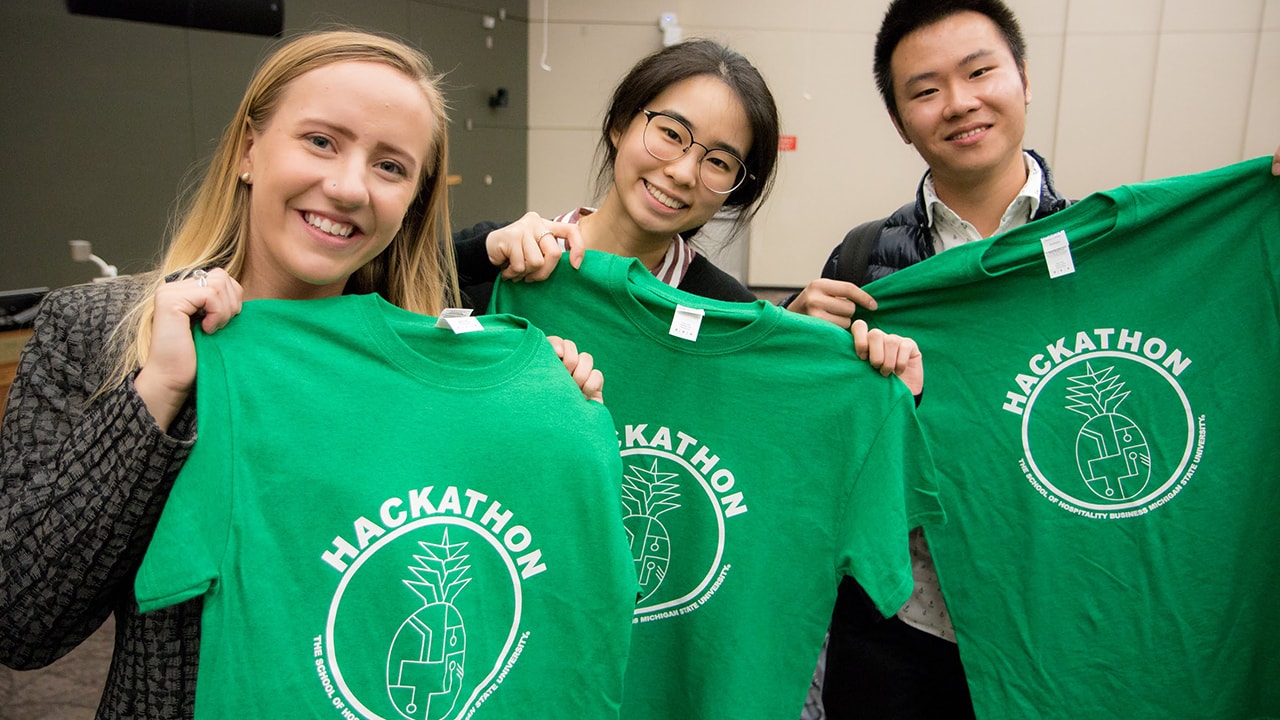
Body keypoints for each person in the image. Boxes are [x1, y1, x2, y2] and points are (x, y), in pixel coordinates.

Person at [0, 29, 602, 719]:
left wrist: (547, 423)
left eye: (390, 166)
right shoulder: (97, 330)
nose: (347, 187)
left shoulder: (424, 375)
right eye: (320, 141)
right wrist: (158, 393)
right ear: (250, 148)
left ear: (413, 198)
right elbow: (22, 618)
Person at [785, 1, 1280, 717]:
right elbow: (824, 464)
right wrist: (807, 354)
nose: (959, 103)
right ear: (900, 120)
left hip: (1061, 623)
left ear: (1023, 80)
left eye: (980, 72)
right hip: (904, 634)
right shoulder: (864, 268)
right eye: (925, 90)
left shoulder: (1110, 258)